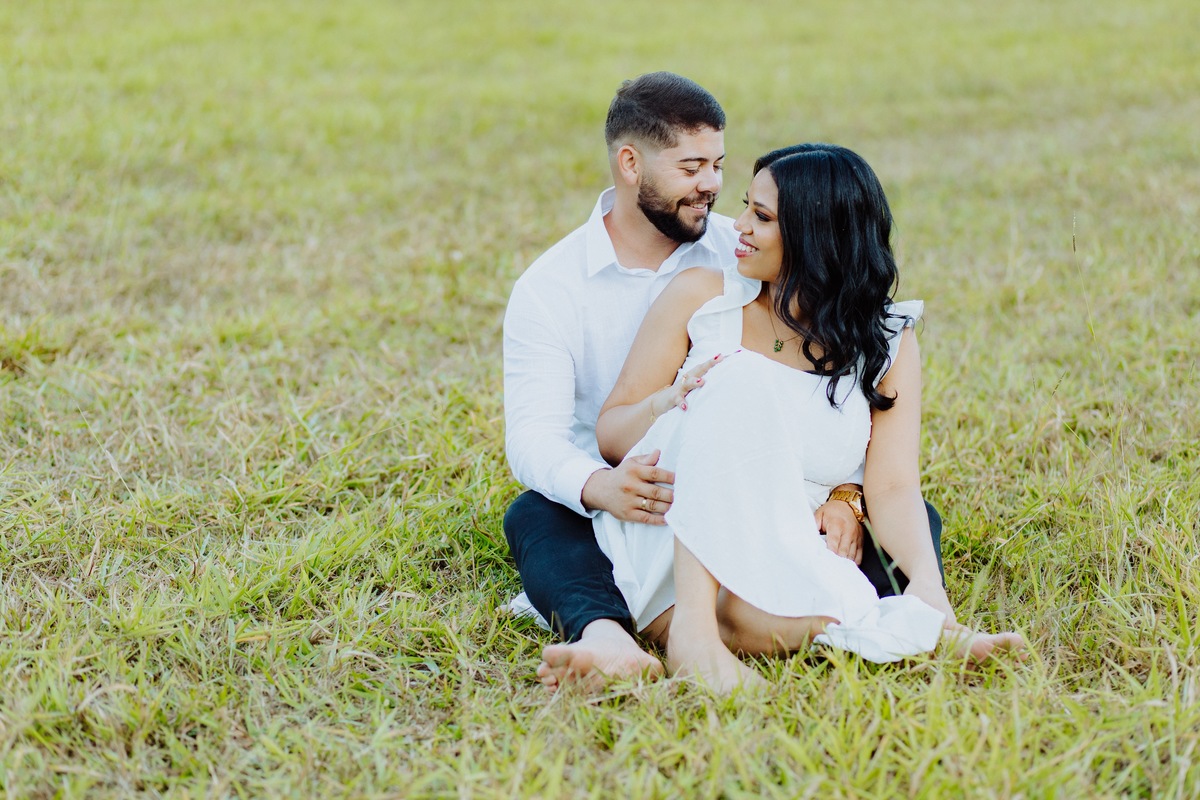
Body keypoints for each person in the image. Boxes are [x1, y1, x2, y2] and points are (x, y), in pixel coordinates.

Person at [502, 73, 942, 692]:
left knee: (914, 517)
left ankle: (837, 616)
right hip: (640, 489)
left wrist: (849, 494)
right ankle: (623, 632)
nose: (713, 189)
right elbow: (535, 437)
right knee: (539, 514)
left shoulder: (733, 246)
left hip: (786, 496)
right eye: (691, 167)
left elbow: (840, 434)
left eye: (718, 166)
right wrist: (603, 486)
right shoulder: (553, 288)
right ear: (630, 163)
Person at [592, 143, 1026, 692]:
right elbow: (610, 434)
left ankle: (923, 627)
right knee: (737, 378)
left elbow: (892, 484)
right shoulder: (704, 297)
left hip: (794, 535)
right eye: (747, 205)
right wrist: (673, 399)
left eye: (762, 217)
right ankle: (695, 636)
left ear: (817, 237)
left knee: (820, 610)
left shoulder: (886, 341)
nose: (738, 226)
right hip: (680, 521)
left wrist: (927, 583)